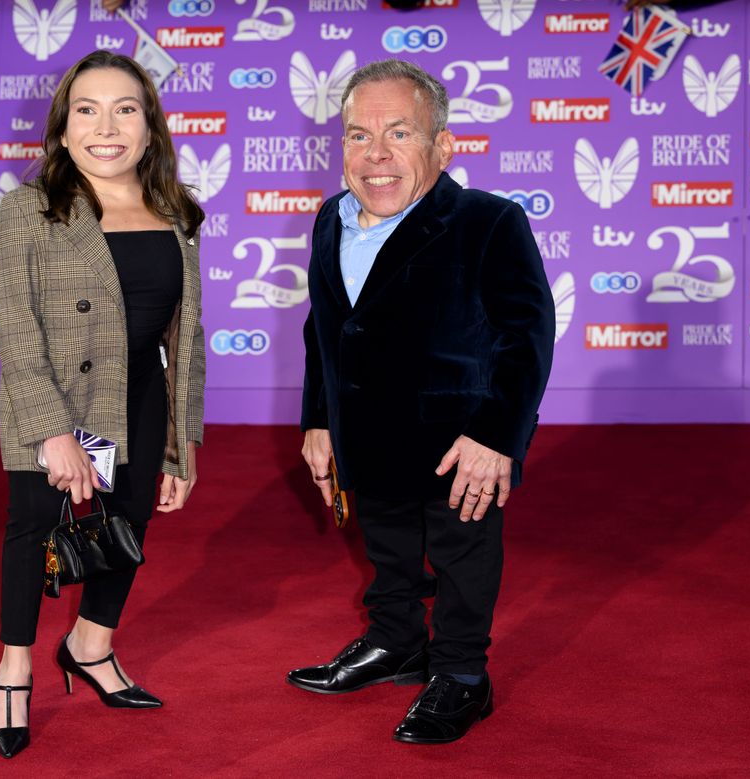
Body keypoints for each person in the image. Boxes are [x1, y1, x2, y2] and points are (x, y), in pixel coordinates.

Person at [289, 59, 555, 745]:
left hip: (458, 443)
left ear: (442, 145)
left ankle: (464, 674)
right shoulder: (328, 219)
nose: (374, 154)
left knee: (463, 558)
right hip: (366, 435)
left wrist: (497, 434)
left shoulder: (488, 221)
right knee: (388, 549)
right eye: (356, 135)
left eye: (398, 133)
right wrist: (318, 417)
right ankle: (395, 641)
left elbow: (527, 337)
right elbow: (323, 328)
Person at [0, 50, 205, 759]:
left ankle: (90, 644)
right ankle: (13, 671)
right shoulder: (30, 208)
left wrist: (183, 439)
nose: (105, 126)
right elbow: (16, 331)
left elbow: (189, 339)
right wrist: (53, 433)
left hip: (138, 390)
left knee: (130, 519)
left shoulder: (176, 213)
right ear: (63, 125)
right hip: (51, 392)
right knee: (34, 526)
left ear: (150, 127)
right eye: (87, 109)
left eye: (125, 108)